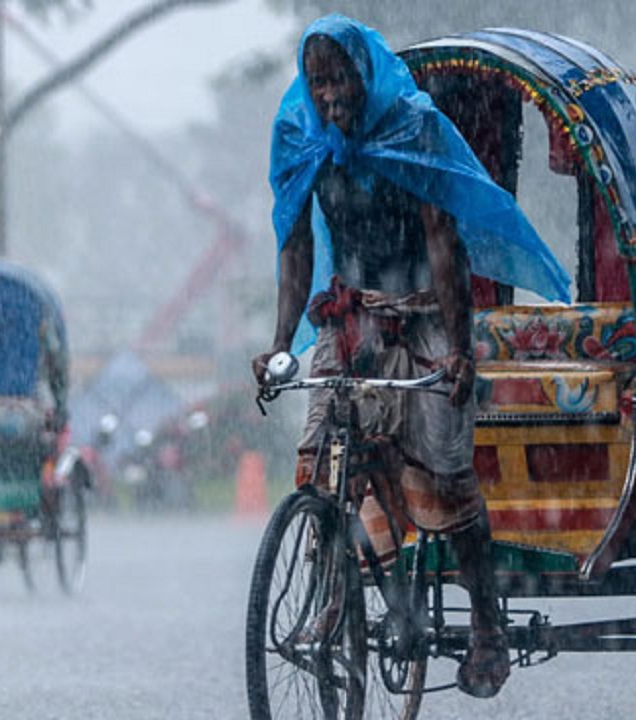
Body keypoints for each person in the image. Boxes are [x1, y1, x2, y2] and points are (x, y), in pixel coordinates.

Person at [252, 14, 570, 699]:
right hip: (349, 317)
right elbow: (295, 246)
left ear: (364, 74)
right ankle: (335, 588)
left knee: (447, 471)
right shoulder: (303, 137)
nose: (331, 95)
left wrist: (459, 350)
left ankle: (486, 622)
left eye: (341, 79)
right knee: (322, 459)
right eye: (318, 83)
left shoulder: (412, 127)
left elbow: (441, 241)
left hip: (425, 316)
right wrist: (280, 344)